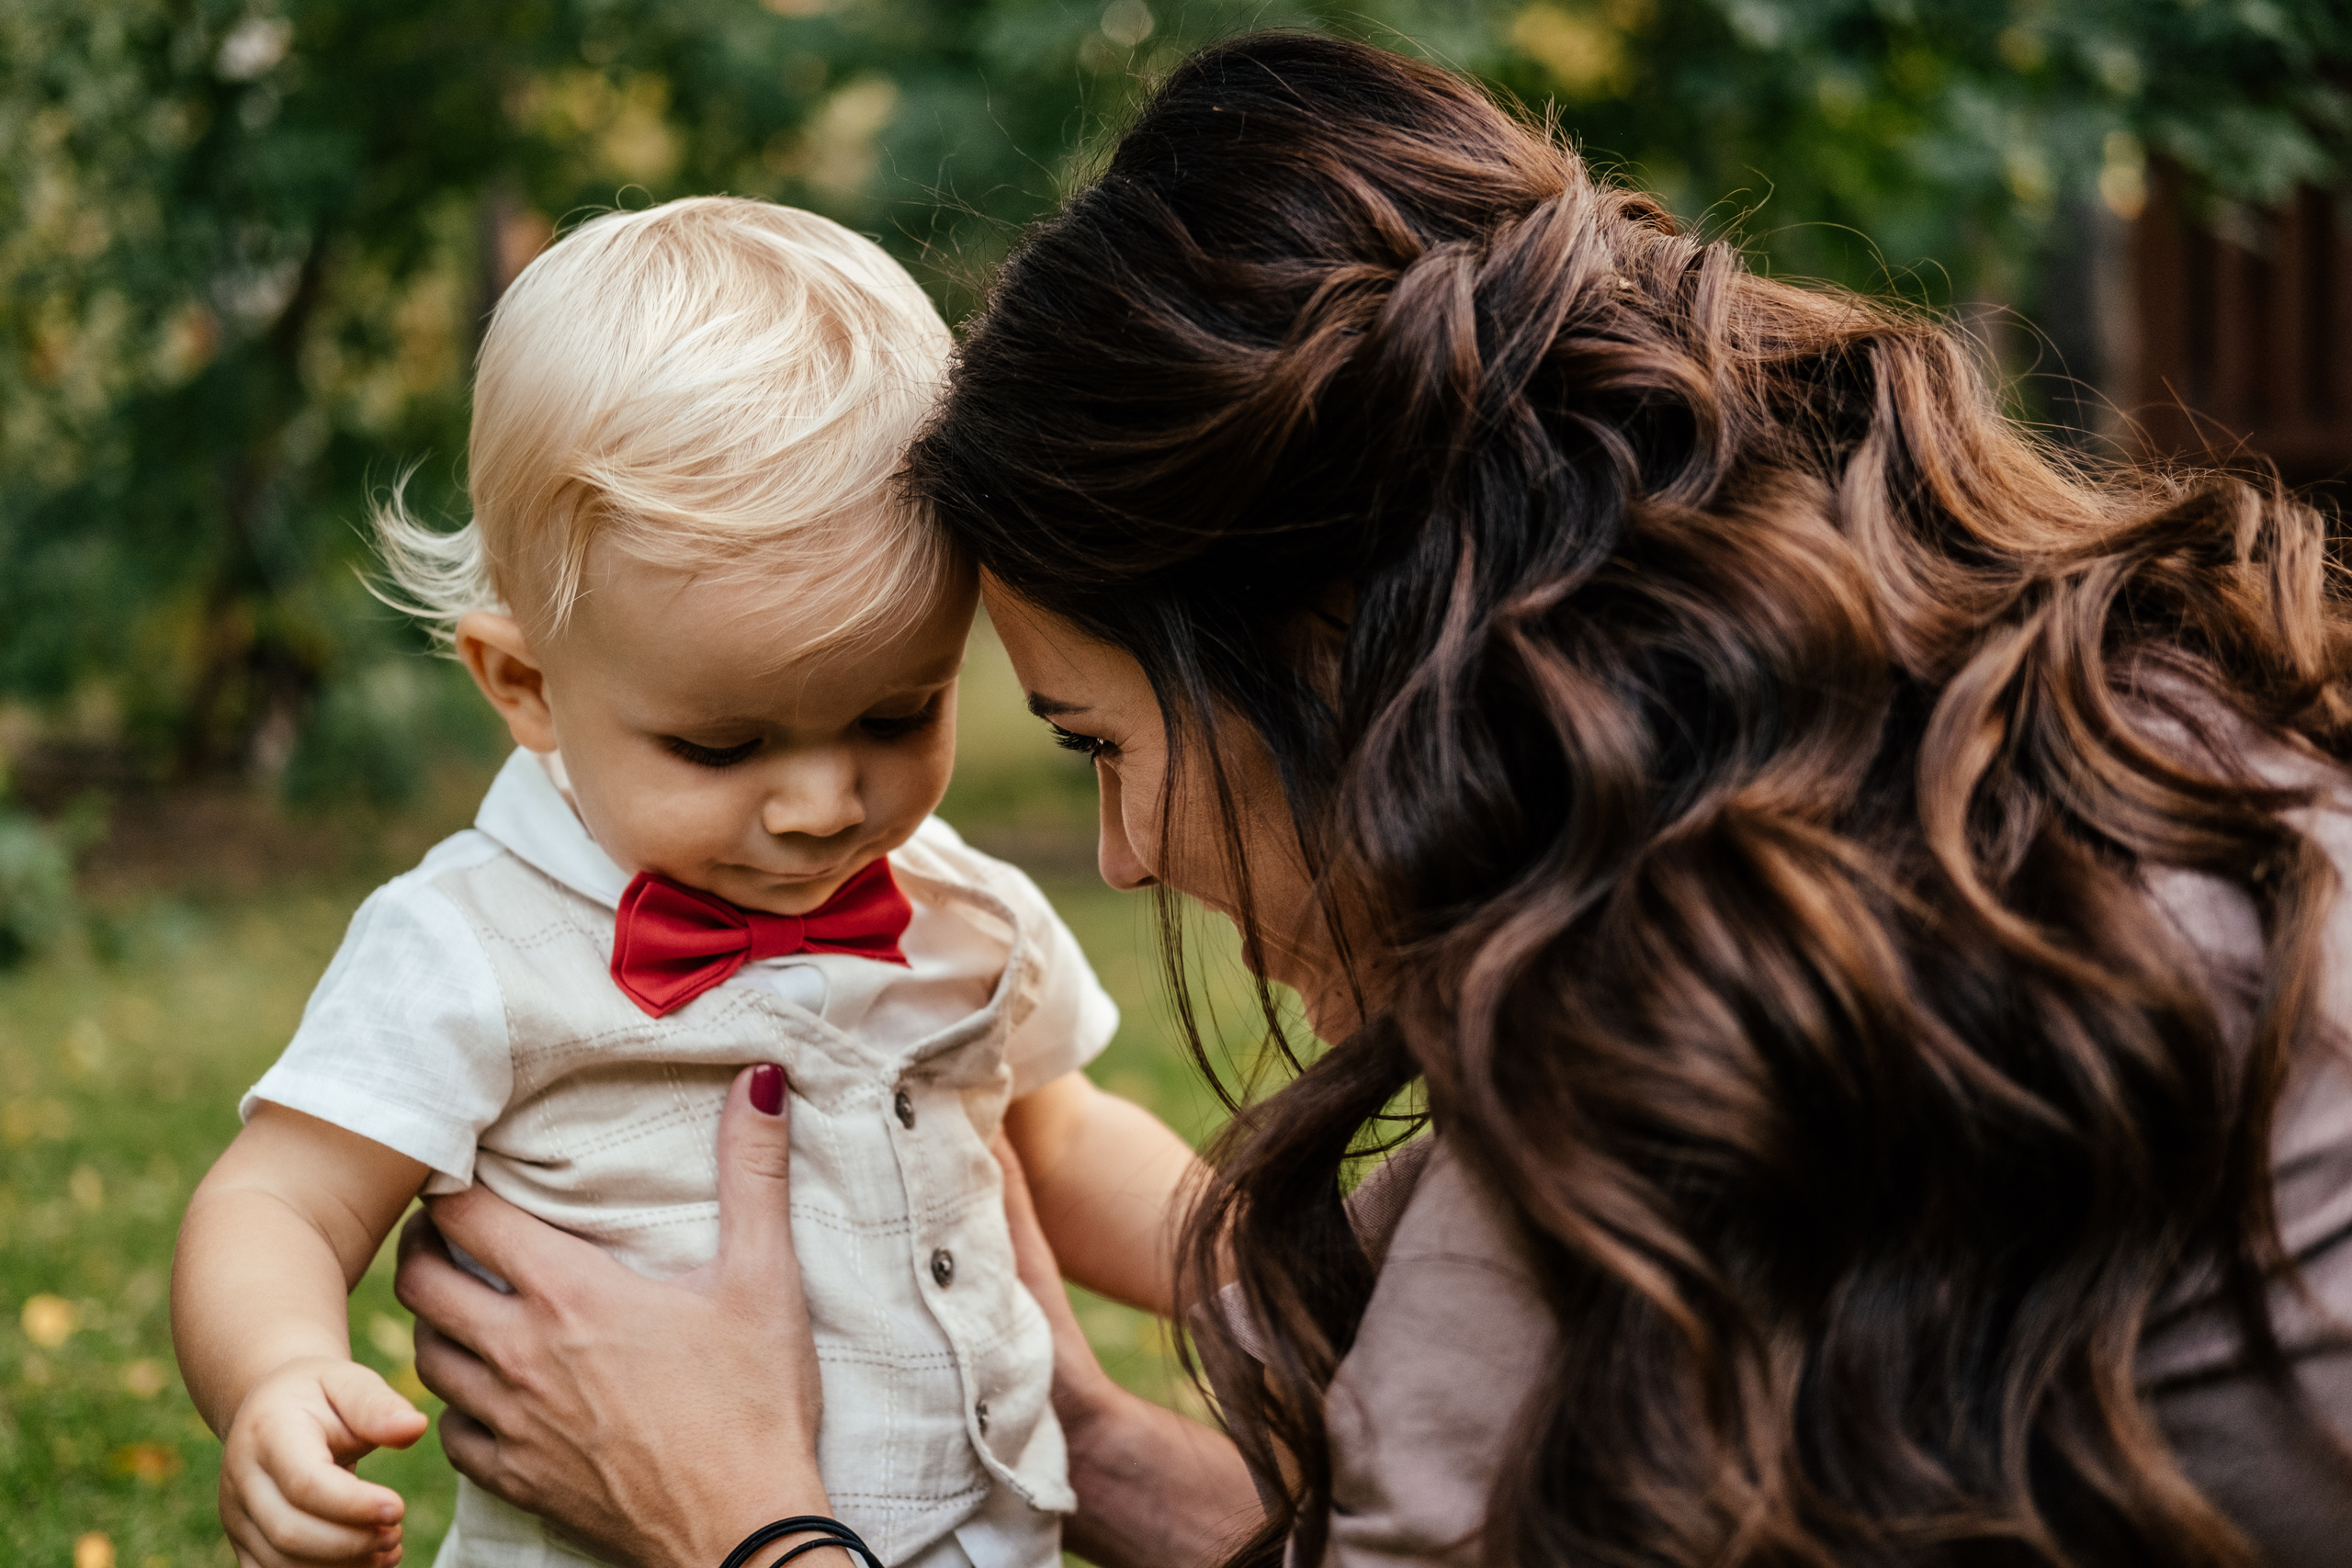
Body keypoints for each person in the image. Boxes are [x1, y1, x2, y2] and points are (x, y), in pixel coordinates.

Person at [392, 34, 2352, 1568]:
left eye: (1099, 743)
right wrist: (1077, 1439)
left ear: (1331, 653)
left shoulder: (1621, 1070)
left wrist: (741, 1513)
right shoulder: (2070, 759)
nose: (1126, 851)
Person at [170, 197, 1202, 1568]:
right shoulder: (470, 945)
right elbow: (276, 1201)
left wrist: (1238, 1259)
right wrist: (278, 1374)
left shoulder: (956, 902)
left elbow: (1061, 1143)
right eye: (723, 744)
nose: (826, 802)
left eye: (898, 716)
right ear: (526, 686)